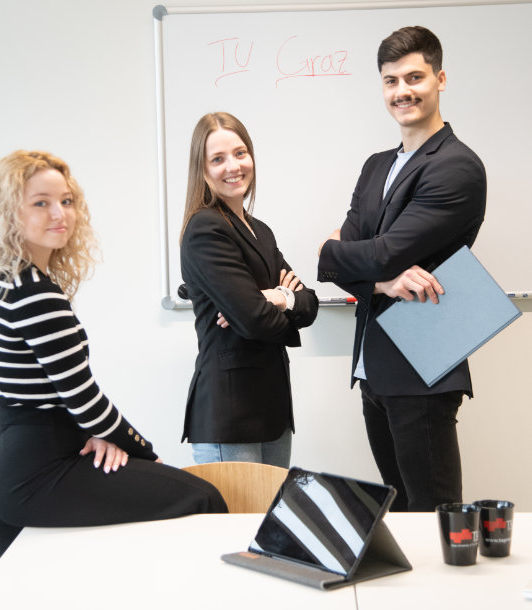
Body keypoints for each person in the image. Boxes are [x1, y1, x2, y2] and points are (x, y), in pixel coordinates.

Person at [0, 150, 227, 560]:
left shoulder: (10, 280)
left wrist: (95, 435)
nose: (59, 213)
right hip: (34, 471)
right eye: (40, 203)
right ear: (9, 214)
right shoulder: (35, 293)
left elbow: (57, 398)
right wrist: (144, 452)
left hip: (12, 464)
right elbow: (83, 398)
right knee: (204, 498)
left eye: (66, 201)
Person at [317, 26, 486, 511]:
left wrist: (340, 256)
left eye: (414, 77)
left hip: (423, 367)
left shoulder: (457, 166)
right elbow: (345, 261)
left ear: (441, 79)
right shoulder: (375, 166)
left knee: (434, 515)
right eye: (391, 81)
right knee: (402, 515)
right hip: (374, 368)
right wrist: (380, 279)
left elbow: (371, 250)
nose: (402, 91)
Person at [180, 112, 319, 467]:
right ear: (202, 168)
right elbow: (254, 320)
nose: (233, 166)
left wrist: (281, 297)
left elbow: (310, 302)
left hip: (271, 409)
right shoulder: (205, 229)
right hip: (231, 414)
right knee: (239, 523)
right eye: (218, 158)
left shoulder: (261, 230)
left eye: (240, 153)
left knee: (268, 520)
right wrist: (268, 308)